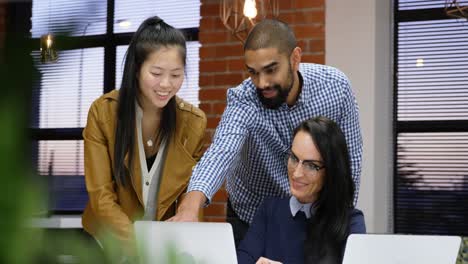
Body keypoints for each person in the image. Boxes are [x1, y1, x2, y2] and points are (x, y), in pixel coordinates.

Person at [170, 19, 362, 246]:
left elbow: (349, 163)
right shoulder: (244, 99)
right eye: (253, 72)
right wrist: (190, 206)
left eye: (271, 70)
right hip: (250, 215)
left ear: (295, 59)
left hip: (315, 214)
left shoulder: (335, 88)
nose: (262, 83)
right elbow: (221, 152)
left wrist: (338, 217)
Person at [81, 16, 206, 247]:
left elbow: (191, 197)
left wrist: (187, 246)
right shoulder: (103, 113)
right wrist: (140, 242)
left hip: (160, 247)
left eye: (176, 75)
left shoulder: (193, 123)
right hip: (104, 243)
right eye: (156, 73)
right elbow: (101, 197)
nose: (166, 84)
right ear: (137, 69)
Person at [237, 117, 366, 264]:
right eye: (294, 158)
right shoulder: (269, 210)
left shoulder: (351, 221)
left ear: (332, 170)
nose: (297, 173)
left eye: (311, 165)